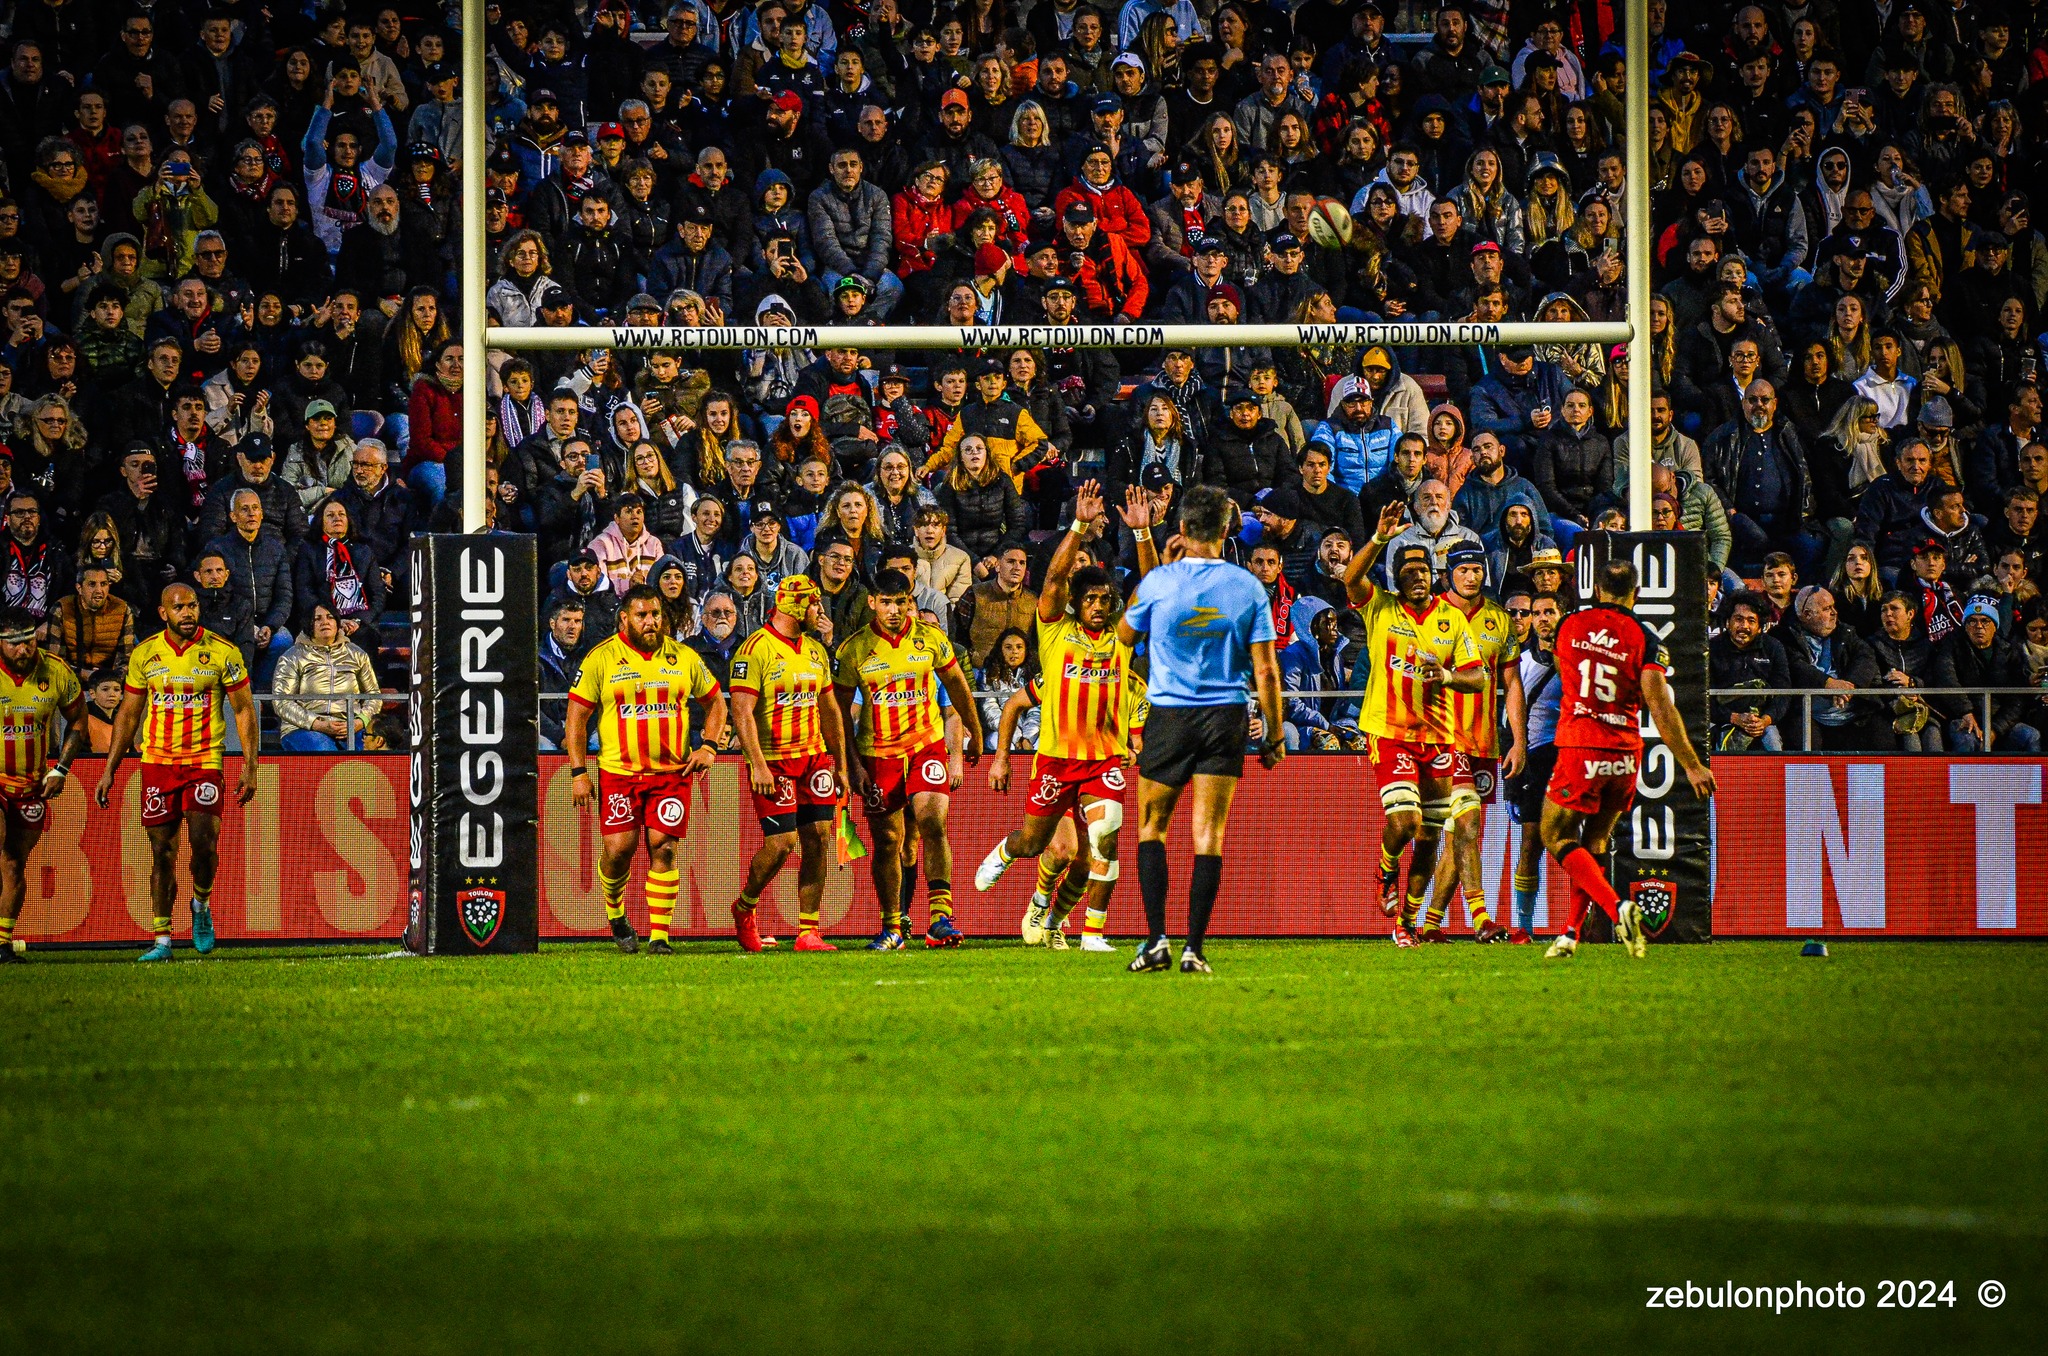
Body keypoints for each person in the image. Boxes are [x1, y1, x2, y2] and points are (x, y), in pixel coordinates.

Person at [977, 483, 1158, 948]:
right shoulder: (1056, 634)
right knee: (1038, 845)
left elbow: (1153, 593)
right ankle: (1007, 851)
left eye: (1105, 599)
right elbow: (1054, 579)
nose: (1098, 606)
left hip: (1103, 761)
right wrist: (1078, 526)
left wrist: (1142, 535)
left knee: (1104, 837)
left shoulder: (1120, 639)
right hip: (1055, 759)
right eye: (1090, 600)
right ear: (1078, 604)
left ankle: (1091, 932)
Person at [1116, 484, 1286, 974]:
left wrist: (1159, 575)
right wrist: (1274, 735)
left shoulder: (1161, 582)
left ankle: (1156, 942)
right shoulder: (1248, 586)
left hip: (1169, 715)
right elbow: (1267, 672)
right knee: (1209, 835)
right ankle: (1194, 947)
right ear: (1228, 530)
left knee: (1152, 827)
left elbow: (1126, 635)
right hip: (1225, 716)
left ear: (1184, 530)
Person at [1542, 560, 1715, 961]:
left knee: (1556, 836)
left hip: (1581, 744)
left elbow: (1560, 665)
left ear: (1598, 590)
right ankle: (1570, 934)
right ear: (1634, 594)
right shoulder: (1645, 637)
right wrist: (1691, 763)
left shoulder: (1569, 625)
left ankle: (1616, 906)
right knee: (1596, 841)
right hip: (1625, 753)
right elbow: (1659, 703)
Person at [1341, 502, 1488, 944]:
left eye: (1423, 570)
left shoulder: (1452, 618)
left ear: (1433, 575)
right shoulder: (1380, 609)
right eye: (1408, 572)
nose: (1418, 576)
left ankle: (1407, 923)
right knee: (1404, 824)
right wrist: (1380, 538)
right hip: (1390, 734)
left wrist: (1445, 675)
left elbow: (1478, 676)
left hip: (1439, 738)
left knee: (1428, 837)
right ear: (1397, 580)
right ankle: (1385, 872)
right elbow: (1350, 579)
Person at [93, 584, 260, 962]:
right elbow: (129, 713)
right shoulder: (146, 653)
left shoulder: (222, 651)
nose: (188, 613)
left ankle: (200, 905)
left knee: (205, 845)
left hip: (204, 762)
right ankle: (162, 941)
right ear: (163, 612)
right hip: (157, 763)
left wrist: (250, 765)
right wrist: (110, 769)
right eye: (179, 607)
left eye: (193, 606)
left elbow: (245, 710)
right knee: (161, 852)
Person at [563, 585, 729, 956]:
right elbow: (577, 719)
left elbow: (716, 702)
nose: (651, 621)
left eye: (656, 614)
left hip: (671, 774)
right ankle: (616, 912)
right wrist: (578, 772)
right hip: (619, 774)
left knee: (664, 847)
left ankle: (659, 936)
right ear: (624, 618)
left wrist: (710, 745)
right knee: (620, 850)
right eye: (642, 615)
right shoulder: (601, 658)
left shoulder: (683, 657)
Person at [834, 568, 983, 949]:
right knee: (888, 841)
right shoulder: (853, 650)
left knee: (932, 819)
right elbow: (837, 714)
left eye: (901, 602)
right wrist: (850, 764)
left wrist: (974, 730)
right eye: (886, 602)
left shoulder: (930, 639)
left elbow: (956, 686)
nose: (894, 610)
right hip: (878, 754)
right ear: (872, 603)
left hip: (925, 746)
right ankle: (893, 927)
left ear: (910, 601)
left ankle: (940, 918)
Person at [727, 576, 851, 953]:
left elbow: (829, 709)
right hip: (775, 761)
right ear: (795, 606)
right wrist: (757, 764)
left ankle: (808, 930)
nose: (819, 611)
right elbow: (742, 711)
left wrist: (840, 764)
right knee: (781, 844)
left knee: (819, 838)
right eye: (813, 604)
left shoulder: (814, 651)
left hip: (814, 759)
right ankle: (745, 906)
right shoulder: (754, 650)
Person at [1420, 540, 1528, 943]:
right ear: (1449, 573)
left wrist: (1518, 740)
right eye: (1463, 570)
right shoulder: (1430, 616)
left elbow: (1511, 682)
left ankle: (1430, 924)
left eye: (1477, 570)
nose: (1471, 576)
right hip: (1441, 737)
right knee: (1467, 823)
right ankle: (1481, 918)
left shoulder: (1498, 621)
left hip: (1483, 742)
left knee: (1460, 834)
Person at [0, 608, 88, 965]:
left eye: (29, 640)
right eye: (15, 644)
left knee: (12, 865)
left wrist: (62, 769)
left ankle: (3, 943)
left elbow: (79, 720)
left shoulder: (55, 670)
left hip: (31, 785)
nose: (25, 649)